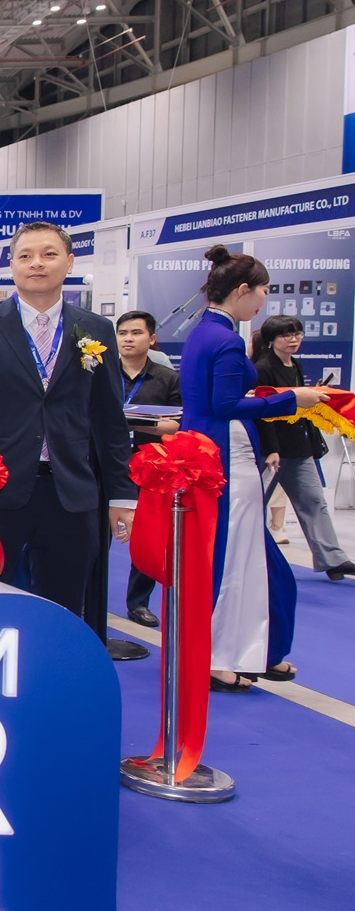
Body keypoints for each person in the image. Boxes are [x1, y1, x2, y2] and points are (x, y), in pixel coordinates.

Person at [0, 222, 136, 625]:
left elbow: (109, 418)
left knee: (63, 609)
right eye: (25, 256)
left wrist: (122, 494)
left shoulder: (94, 329)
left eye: (49, 254)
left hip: (70, 492)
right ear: (12, 265)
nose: (37, 264)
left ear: (70, 262)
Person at [181, 247, 325, 692]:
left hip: (210, 451)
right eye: (263, 291)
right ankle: (217, 655)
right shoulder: (225, 339)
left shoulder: (204, 331)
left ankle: (258, 649)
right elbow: (225, 405)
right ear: (243, 290)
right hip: (225, 456)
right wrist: (291, 399)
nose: (264, 301)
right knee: (230, 558)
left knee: (253, 558)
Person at [255, 315, 354, 580]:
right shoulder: (262, 368)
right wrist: (271, 448)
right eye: (286, 335)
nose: (293, 339)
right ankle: (246, 559)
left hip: (299, 447)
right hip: (271, 451)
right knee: (253, 506)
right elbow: (262, 412)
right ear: (272, 339)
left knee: (314, 502)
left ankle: (333, 560)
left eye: (297, 334)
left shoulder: (296, 365)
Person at [115, 310, 183, 628]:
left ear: (152, 339)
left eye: (136, 333)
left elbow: (177, 424)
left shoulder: (168, 378)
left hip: (149, 466)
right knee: (94, 536)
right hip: (106, 464)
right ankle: (87, 597)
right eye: (123, 333)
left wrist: (133, 422)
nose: (128, 339)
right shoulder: (99, 373)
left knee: (147, 537)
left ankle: (139, 602)